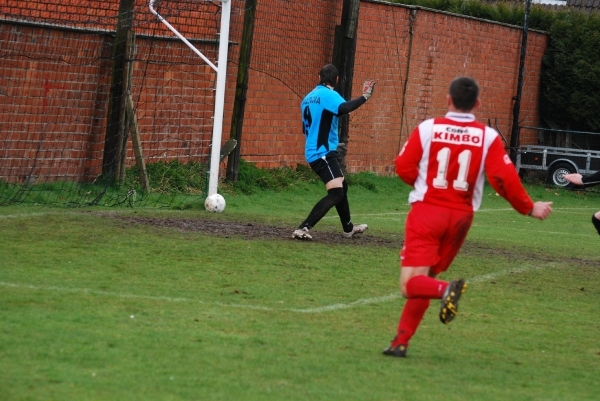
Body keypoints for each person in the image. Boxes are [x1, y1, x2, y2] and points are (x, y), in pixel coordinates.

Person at [383, 76, 553, 358]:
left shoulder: (428, 128)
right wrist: (528, 206)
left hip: (428, 212)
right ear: (478, 103)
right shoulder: (488, 136)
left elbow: (403, 166)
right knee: (426, 277)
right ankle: (401, 342)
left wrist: (422, 184)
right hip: (461, 217)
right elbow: (503, 177)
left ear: (448, 100)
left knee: (409, 284)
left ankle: (446, 290)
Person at [292, 64, 376, 240]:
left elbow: (307, 129)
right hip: (322, 153)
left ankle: (348, 228)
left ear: (319, 77)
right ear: (336, 79)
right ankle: (303, 228)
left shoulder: (307, 98)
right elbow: (344, 108)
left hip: (315, 150)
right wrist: (365, 97)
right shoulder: (328, 95)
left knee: (342, 187)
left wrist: (332, 143)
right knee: (336, 193)